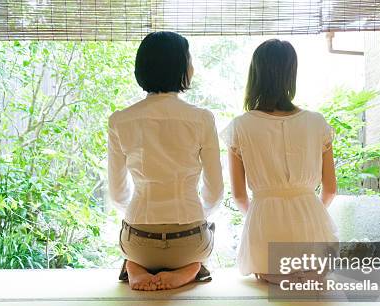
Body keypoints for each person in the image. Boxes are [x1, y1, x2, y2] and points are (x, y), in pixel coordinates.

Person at [108, 32, 223, 291]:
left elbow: (117, 194)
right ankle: (192, 268)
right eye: (189, 58)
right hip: (189, 241)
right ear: (181, 67)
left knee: (132, 248)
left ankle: (134, 267)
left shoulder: (120, 120)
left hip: (139, 242)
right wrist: (195, 213)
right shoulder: (202, 119)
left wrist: (141, 216)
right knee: (205, 241)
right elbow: (215, 192)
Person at [222, 39, 338, 282]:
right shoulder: (317, 123)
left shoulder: (240, 127)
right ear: (290, 75)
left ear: (255, 75)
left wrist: (262, 215)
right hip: (311, 224)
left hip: (265, 226)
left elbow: (240, 196)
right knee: (315, 284)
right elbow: (330, 190)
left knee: (270, 278)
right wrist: (307, 213)